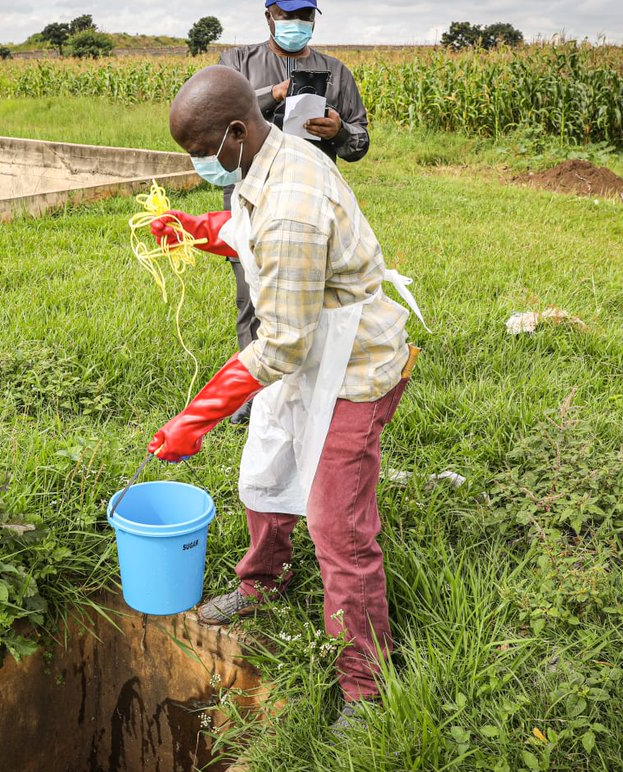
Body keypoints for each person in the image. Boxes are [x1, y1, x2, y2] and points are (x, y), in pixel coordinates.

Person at [147, 66, 426, 731]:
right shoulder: (264, 159)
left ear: (237, 132)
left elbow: (283, 349)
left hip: (350, 364)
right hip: (309, 342)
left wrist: (199, 415)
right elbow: (249, 227)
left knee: (339, 526)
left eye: (200, 149)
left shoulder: (294, 204)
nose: (197, 163)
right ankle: (261, 581)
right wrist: (198, 229)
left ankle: (365, 687)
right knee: (268, 466)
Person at [218, 0, 371, 425]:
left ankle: (314, 387)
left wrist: (338, 131)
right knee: (254, 295)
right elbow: (222, 115)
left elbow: (360, 140)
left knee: (318, 297)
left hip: (311, 202)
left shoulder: (336, 72)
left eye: (304, 17)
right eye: (287, 17)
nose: (296, 26)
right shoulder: (237, 62)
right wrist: (272, 96)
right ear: (269, 17)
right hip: (253, 196)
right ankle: (256, 395)